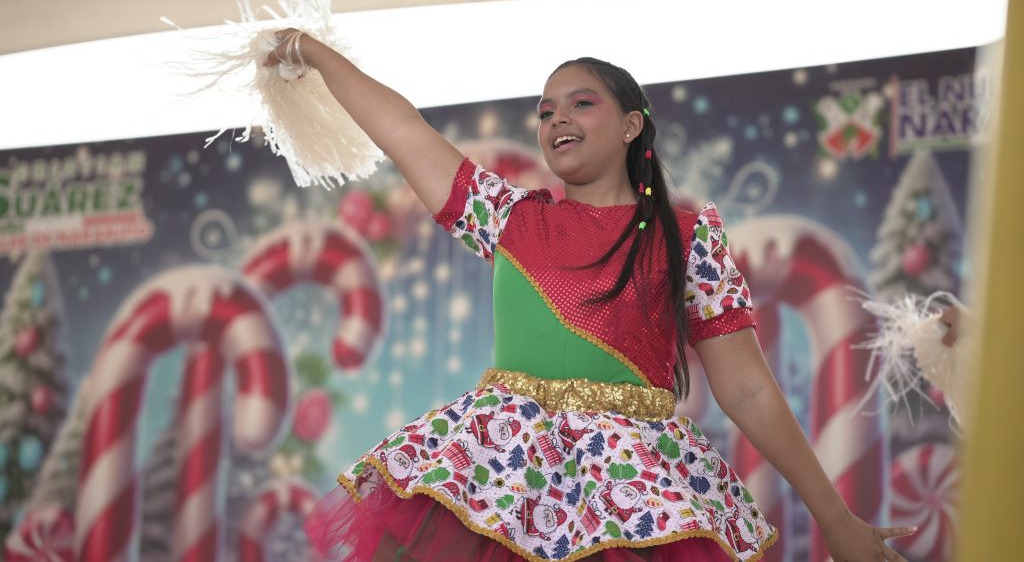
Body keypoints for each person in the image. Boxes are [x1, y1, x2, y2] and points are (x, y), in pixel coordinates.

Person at [265, 30, 915, 561]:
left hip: (633, 491)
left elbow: (747, 390)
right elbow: (404, 130)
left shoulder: (687, 238)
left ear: (632, 125)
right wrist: (315, 52)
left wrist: (836, 519)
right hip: (504, 477)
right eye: (545, 111)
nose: (557, 120)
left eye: (580, 104)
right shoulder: (509, 218)